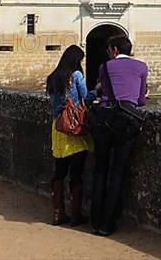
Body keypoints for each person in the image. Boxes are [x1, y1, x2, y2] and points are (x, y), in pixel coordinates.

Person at [91, 35, 148, 236]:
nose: (108, 53)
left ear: (114, 50)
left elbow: (103, 92)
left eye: (108, 50)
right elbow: (140, 101)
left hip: (104, 120)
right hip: (126, 123)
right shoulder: (142, 67)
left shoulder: (104, 67)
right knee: (117, 173)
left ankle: (95, 222)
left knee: (100, 171)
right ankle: (107, 225)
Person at [46, 44, 98, 227]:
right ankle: (76, 215)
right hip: (75, 128)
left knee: (60, 171)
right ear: (77, 61)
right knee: (76, 173)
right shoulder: (76, 76)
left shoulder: (52, 78)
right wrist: (97, 89)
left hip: (59, 128)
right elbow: (85, 99)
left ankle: (58, 214)